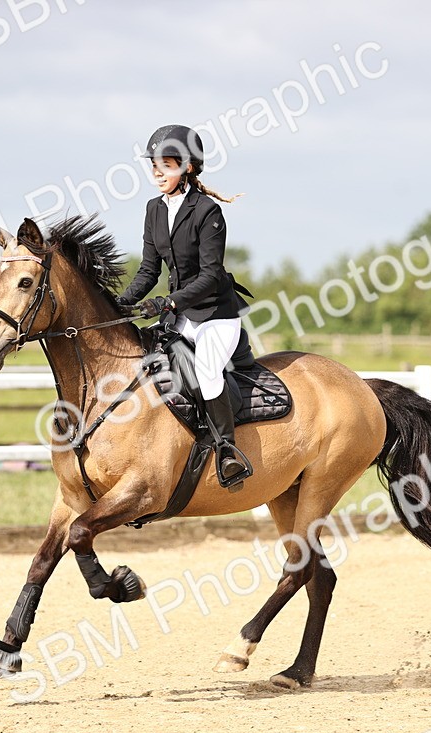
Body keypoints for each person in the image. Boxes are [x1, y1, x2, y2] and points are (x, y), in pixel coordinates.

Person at [117, 124, 253, 489]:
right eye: (154, 165)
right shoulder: (153, 209)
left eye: (166, 164)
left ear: (188, 167)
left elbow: (210, 275)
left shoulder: (207, 211)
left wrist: (168, 301)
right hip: (179, 316)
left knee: (206, 372)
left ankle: (227, 451)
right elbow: (149, 269)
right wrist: (120, 303)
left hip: (215, 315)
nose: (157, 172)